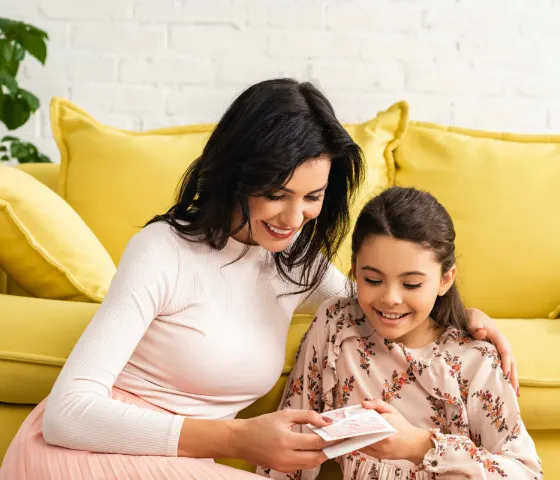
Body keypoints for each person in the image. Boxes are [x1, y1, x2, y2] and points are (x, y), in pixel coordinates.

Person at [1, 80, 517, 480]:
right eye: (277, 192)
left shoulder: (291, 257)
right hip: (87, 452)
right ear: (236, 172)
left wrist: (459, 314)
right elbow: (67, 415)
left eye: (312, 197)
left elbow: (379, 301)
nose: (294, 217)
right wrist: (238, 440)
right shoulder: (162, 251)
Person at [258, 186, 541, 480]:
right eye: (373, 279)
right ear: (354, 271)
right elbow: (292, 443)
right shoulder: (337, 325)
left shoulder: (474, 360)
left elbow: (525, 473)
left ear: (446, 279)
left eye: (411, 284)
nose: (391, 298)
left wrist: (421, 446)